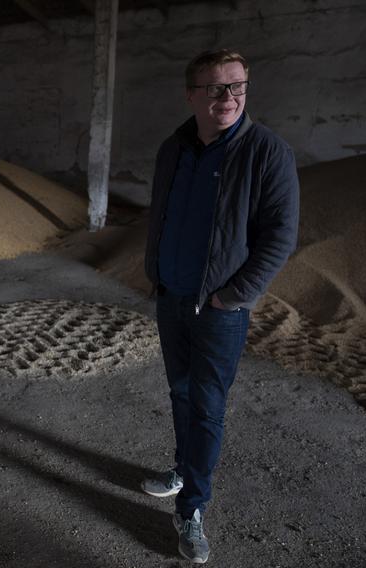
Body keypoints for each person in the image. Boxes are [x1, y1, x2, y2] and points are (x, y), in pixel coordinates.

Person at [141, 49, 300, 564]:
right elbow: (160, 215)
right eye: (215, 87)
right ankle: (184, 468)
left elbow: (280, 237)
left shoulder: (266, 151)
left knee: (207, 406)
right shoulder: (174, 147)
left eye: (237, 85)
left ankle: (192, 507)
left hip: (220, 308)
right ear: (192, 95)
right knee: (181, 392)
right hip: (172, 298)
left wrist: (231, 296)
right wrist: (156, 274)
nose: (228, 96)